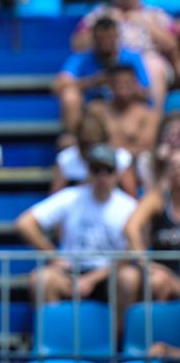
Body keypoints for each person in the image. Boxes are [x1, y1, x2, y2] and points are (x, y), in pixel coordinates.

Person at [16, 144, 136, 305]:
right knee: (41, 279)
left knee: (129, 279)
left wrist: (92, 279)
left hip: (110, 274)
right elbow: (25, 223)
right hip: (71, 271)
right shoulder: (70, 197)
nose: (102, 176)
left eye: (107, 170)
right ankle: (52, 329)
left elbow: (132, 252)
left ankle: (120, 331)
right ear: (88, 172)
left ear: (117, 173)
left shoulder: (129, 207)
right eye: (96, 170)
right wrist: (53, 255)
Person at [71, 0, 179, 113]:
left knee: (153, 67)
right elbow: (77, 44)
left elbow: (172, 44)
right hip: (111, 61)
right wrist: (104, 25)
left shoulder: (154, 14)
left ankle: (152, 120)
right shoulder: (102, 13)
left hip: (147, 61)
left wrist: (145, 23)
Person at [53, 16, 150, 142]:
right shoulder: (82, 59)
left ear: (117, 36)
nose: (106, 43)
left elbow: (146, 92)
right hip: (91, 113)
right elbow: (58, 86)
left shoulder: (132, 57)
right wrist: (92, 82)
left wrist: (122, 87)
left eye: (109, 38)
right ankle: (75, 141)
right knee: (70, 95)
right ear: (93, 38)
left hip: (124, 110)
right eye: (101, 39)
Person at [119, 149, 180, 317]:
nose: (177, 170)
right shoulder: (158, 198)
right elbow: (130, 227)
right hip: (161, 272)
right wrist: (144, 262)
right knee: (153, 281)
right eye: (173, 166)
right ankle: (144, 337)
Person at [87, 64, 159, 184]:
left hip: (134, 169)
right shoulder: (97, 110)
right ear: (109, 85)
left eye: (127, 83)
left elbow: (147, 146)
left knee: (145, 159)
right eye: (118, 83)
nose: (122, 87)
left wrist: (117, 154)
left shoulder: (147, 115)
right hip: (100, 167)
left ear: (135, 84)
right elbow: (89, 140)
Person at [50, 111, 136, 196]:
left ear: (104, 141)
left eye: (93, 145)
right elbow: (54, 199)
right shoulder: (65, 159)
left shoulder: (121, 159)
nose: (88, 151)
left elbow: (131, 199)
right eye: (84, 144)